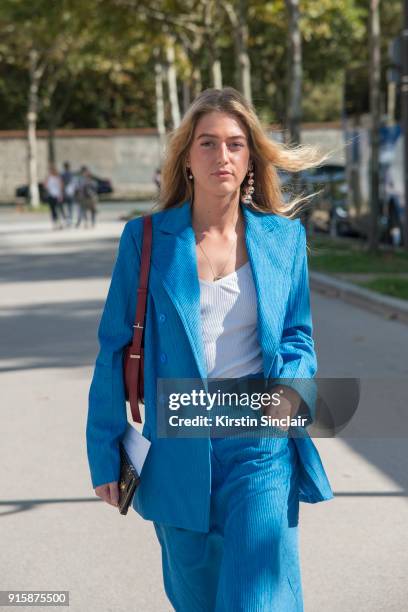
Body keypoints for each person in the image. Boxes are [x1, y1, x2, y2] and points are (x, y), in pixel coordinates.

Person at [86, 87, 335, 611]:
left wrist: (291, 388)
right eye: (207, 143)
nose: (221, 155)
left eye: (236, 144)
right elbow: (116, 348)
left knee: (257, 598)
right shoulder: (146, 239)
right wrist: (103, 450)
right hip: (178, 442)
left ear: (250, 161)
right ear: (187, 158)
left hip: (259, 443)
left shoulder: (282, 240)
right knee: (196, 597)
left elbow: (297, 335)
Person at [44, 165, 64, 230]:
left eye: (52, 170)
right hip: (51, 196)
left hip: (57, 196)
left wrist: (61, 195)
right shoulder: (49, 178)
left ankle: (60, 223)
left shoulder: (58, 178)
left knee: (58, 210)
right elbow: (46, 186)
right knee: (52, 210)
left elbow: (61, 187)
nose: (51, 172)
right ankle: (54, 224)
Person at [61, 161, 76, 226]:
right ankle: (70, 219)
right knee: (70, 207)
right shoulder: (72, 174)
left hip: (64, 193)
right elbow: (74, 184)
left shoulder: (62, 175)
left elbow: (61, 184)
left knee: (64, 207)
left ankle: (67, 219)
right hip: (70, 193)